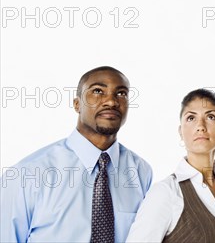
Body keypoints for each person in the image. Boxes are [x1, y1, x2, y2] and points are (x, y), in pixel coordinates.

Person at [0, 66, 153, 242]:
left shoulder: (141, 172)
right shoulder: (27, 174)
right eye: (98, 91)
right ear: (77, 104)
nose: (111, 101)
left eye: (121, 93)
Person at [126, 89, 215, 242]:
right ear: (181, 131)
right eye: (191, 118)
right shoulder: (166, 193)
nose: (200, 126)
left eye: (210, 116)